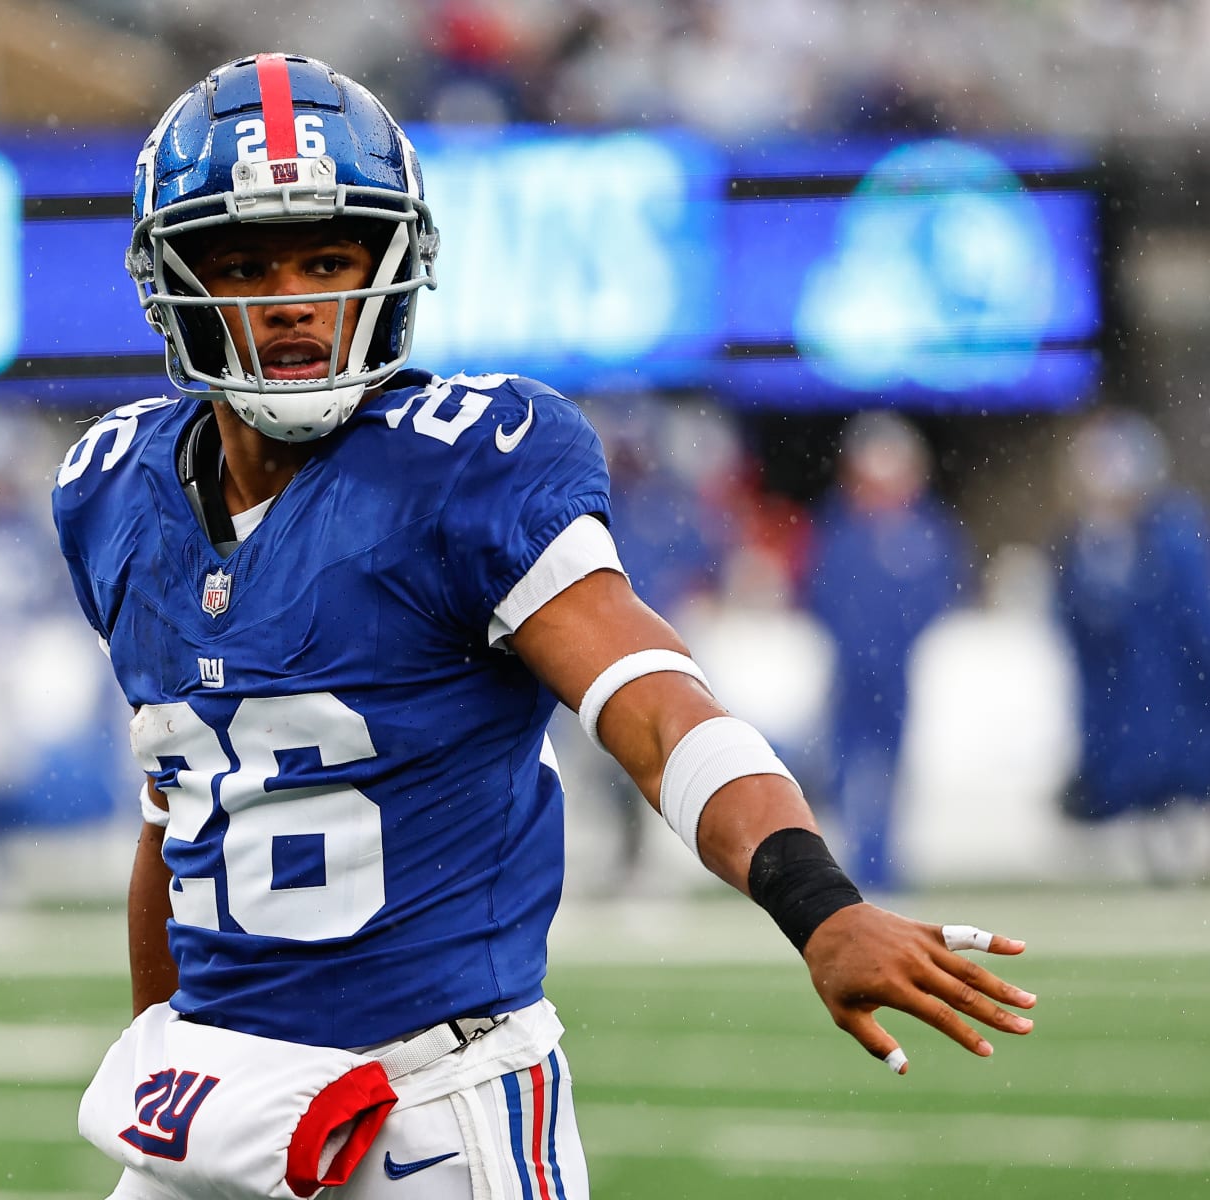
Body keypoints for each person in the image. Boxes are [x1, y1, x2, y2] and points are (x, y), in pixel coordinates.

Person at [52, 53, 1035, 1200]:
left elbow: (658, 710)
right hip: (219, 1101)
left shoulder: (465, 468)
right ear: (171, 279)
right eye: (247, 263)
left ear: (393, 265)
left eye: (328, 258)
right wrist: (169, 1038)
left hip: (424, 1108)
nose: (294, 300)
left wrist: (817, 903)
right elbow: (178, 816)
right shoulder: (115, 486)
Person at [806, 411, 971, 892]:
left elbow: (938, 595)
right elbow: (823, 594)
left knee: (888, 771)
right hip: (851, 671)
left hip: (897, 673)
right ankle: (853, 865)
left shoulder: (925, 531)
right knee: (844, 771)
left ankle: (881, 867)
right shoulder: (840, 529)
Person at [1055, 409, 1210, 881]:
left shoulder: (1175, 534)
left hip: (1175, 702)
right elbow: (1082, 635)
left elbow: (1196, 626)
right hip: (1124, 711)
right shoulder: (1084, 541)